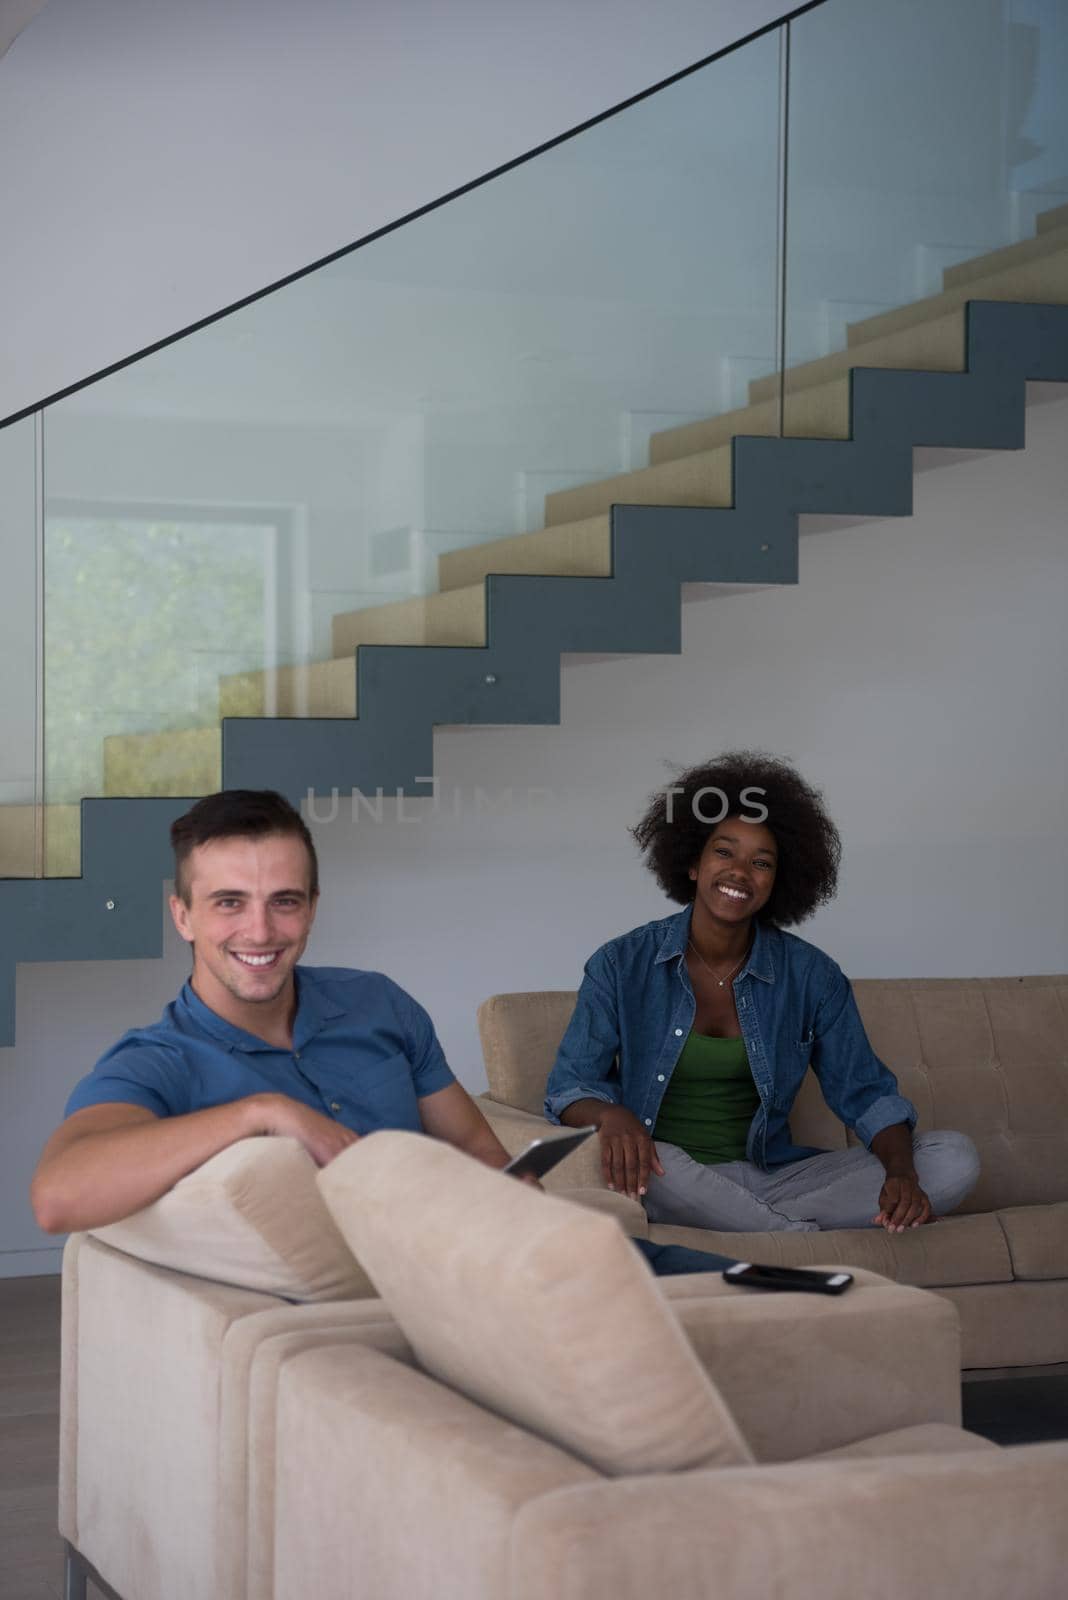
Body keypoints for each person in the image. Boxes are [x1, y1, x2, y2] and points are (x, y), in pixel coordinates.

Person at [31, 789, 732, 1279]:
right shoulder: (161, 1060)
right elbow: (58, 1195)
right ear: (182, 915)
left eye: (285, 902)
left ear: (311, 909)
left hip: (498, 1260)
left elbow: (474, 1150)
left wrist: (515, 1201)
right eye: (228, 904)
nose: (260, 931)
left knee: (764, 1286)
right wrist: (262, 1112)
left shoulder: (376, 1003)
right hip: (422, 1302)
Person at [546, 752, 980, 1235]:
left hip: (776, 1177)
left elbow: (867, 1095)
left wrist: (901, 1176)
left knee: (952, 1156)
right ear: (693, 862)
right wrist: (613, 1115)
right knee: (643, 1163)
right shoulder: (621, 963)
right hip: (670, 1174)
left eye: (761, 862)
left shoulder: (813, 975)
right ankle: (796, 1238)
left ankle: (756, 1226)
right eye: (724, 852)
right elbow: (570, 1087)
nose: (739, 872)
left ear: (778, 882)